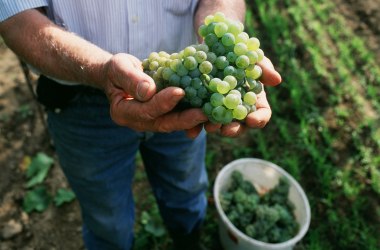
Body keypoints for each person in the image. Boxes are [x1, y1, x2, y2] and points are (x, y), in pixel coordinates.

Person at [0, 1, 281, 249]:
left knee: (185, 189)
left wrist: (223, 41)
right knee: (107, 219)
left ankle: (188, 240)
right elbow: (16, 18)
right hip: (81, 102)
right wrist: (102, 70)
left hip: (186, 91)